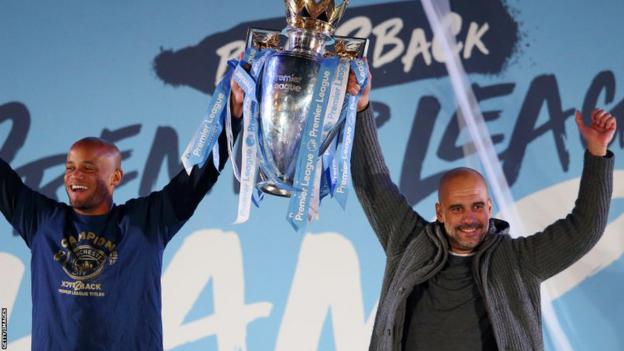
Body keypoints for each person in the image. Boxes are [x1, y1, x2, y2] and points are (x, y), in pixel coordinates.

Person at [347, 72, 616, 351]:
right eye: (457, 209)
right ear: (440, 212)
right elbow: (372, 182)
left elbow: (584, 230)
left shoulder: (517, 261)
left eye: (477, 206)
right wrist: (361, 109)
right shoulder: (407, 240)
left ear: (490, 206)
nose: (470, 219)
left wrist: (597, 153)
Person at [0, 102, 243, 350]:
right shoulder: (43, 223)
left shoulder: (146, 223)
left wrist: (234, 114)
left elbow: (197, 178)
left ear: (115, 177)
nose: (75, 176)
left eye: (88, 168)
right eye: (70, 168)